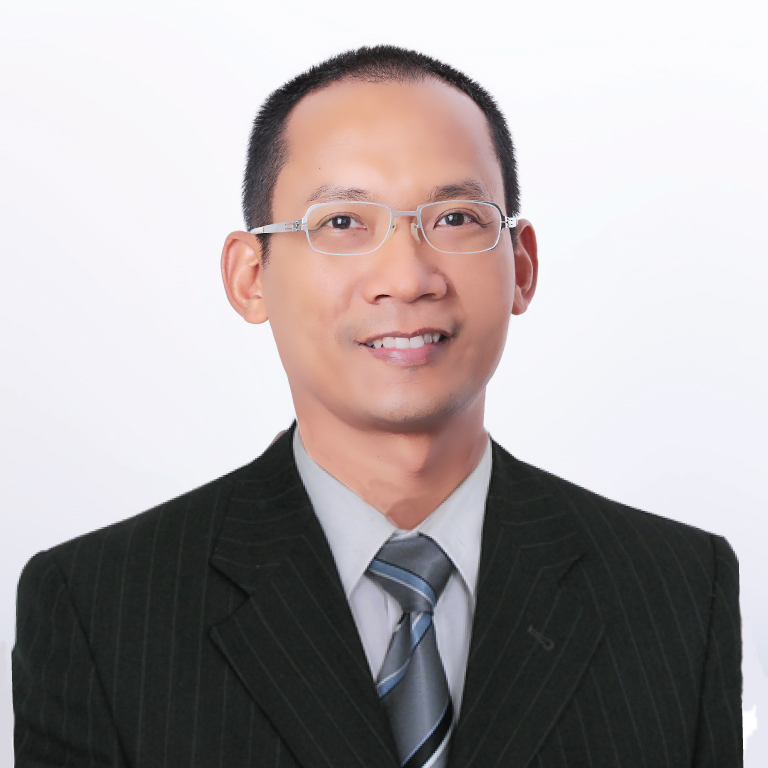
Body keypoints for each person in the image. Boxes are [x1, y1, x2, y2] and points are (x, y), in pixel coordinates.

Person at [12, 45, 742, 767]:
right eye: (341, 223)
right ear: (250, 276)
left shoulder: (680, 591)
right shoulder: (100, 608)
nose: (407, 277)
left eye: (455, 218)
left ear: (521, 266)